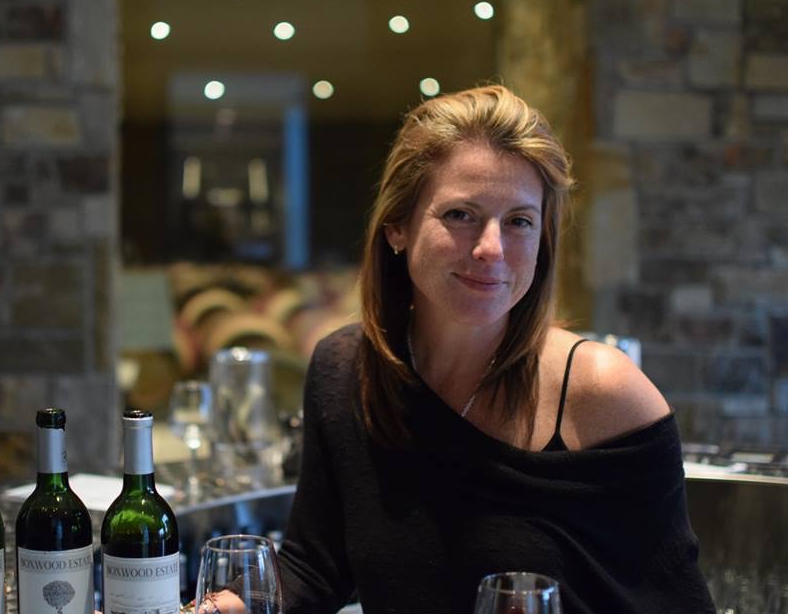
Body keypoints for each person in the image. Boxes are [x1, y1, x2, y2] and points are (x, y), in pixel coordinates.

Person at [193, 84, 714, 614]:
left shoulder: (603, 392)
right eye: (461, 214)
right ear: (398, 226)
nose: (492, 249)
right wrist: (202, 611)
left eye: (519, 221)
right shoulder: (345, 369)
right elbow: (315, 566)